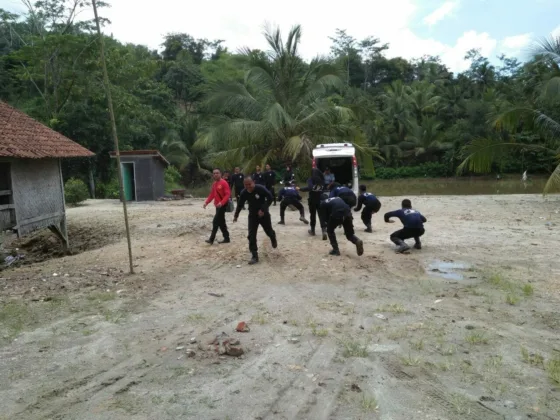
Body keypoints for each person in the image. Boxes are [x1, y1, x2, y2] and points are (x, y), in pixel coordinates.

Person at [233, 177, 277, 265]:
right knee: (251, 235)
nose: (248, 186)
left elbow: (270, 198)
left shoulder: (260, 188)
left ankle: (272, 237)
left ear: (254, 182)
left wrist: (263, 209)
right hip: (252, 215)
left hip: (263, 214)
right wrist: (236, 215)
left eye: (250, 184)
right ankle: (254, 255)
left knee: (268, 231)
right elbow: (240, 204)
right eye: (246, 185)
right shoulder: (244, 192)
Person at [203, 168, 231, 245]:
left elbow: (227, 194)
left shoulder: (224, 183)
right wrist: (206, 202)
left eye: (217, 173)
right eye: (214, 173)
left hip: (222, 206)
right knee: (221, 222)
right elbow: (212, 195)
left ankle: (211, 239)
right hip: (217, 206)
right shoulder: (214, 184)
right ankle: (227, 238)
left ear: (220, 174)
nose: (215, 174)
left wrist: (221, 203)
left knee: (215, 221)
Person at [298, 168, 327, 239]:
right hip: (320, 199)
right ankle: (324, 230)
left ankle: (313, 230)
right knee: (321, 215)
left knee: (313, 215)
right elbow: (323, 188)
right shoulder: (322, 180)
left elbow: (309, 188)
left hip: (312, 200)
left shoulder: (310, 179)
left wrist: (300, 189)